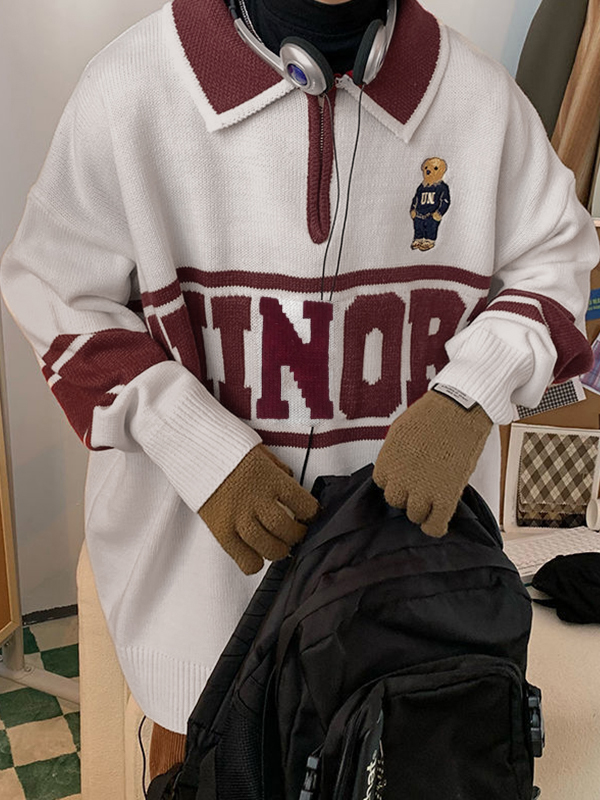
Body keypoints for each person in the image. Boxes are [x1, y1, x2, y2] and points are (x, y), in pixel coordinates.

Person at [1, 0, 598, 779]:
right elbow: (54, 291)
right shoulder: (131, 88)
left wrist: (472, 392)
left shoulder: (481, 101)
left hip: (406, 626)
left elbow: (559, 263)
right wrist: (195, 443)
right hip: (199, 632)